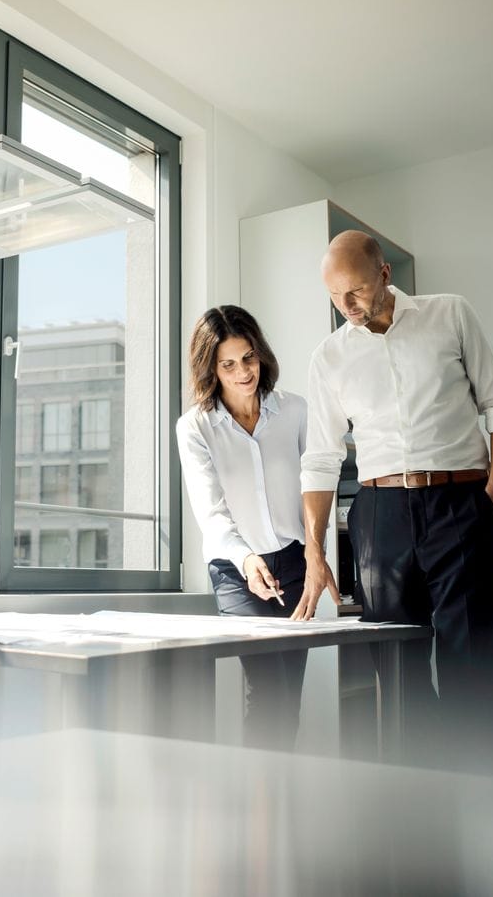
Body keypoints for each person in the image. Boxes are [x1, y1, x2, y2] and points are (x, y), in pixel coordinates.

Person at [295, 230, 493, 769]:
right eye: (333, 297)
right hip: (380, 517)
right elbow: (322, 458)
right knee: (397, 668)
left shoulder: (450, 314)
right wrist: (314, 548)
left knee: (473, 660)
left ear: (384, 274)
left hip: (462, 504)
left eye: (354, 291)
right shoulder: (329, 357)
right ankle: (422, 801)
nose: (345, 307)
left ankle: (480, 786)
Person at [176, 305, 321, 750]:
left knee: (289, 698)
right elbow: (211, 512)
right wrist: (246, 558)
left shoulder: (294, 410)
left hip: (294, 566)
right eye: (229, 364)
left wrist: (316, 557)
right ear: (211, 368)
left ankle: (275, 800)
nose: (244, 372)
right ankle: (255, 807)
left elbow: (313, 487)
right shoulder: (196, 428)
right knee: (266, 690)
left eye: (250, 358)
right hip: (237, 573)